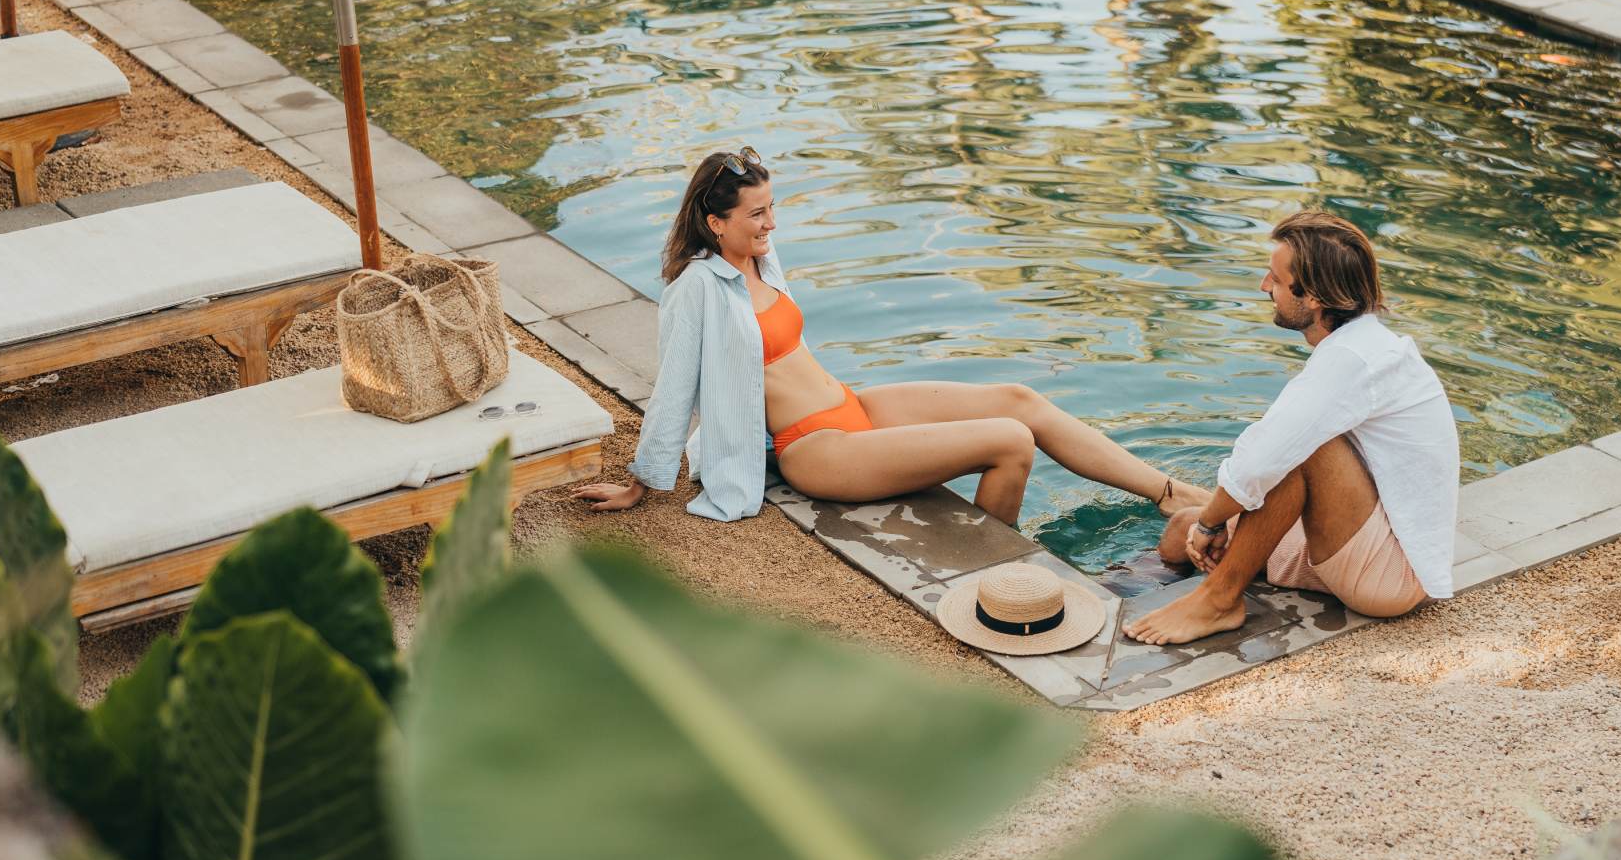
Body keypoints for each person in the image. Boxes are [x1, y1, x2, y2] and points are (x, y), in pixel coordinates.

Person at [576, 147, 1209, 523]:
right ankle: (996, 570)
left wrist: (764, 238)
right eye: (757, 213)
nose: (772, 222)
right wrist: (643, 480)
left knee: (1020, 399)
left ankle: (1169, 492)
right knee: (1010, 442)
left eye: (773, 206)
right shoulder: (694, 289)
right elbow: (675, 386)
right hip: (814, 446)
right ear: (715, 222)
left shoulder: (760, 260)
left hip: (852, 406)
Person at [1125, 210, 1458, 645]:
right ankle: (1122, 592)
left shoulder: (1353, 358)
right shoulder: (1357, 345)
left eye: (1275, 279)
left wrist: (1212, 523)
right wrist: (1203, 523)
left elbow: (1264, 458)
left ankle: (1218, 600)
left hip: (1390, 574)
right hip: (1360, 537)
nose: (1265, 286)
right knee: (1179, 531)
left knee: (1298, 452)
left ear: (1315, 296)